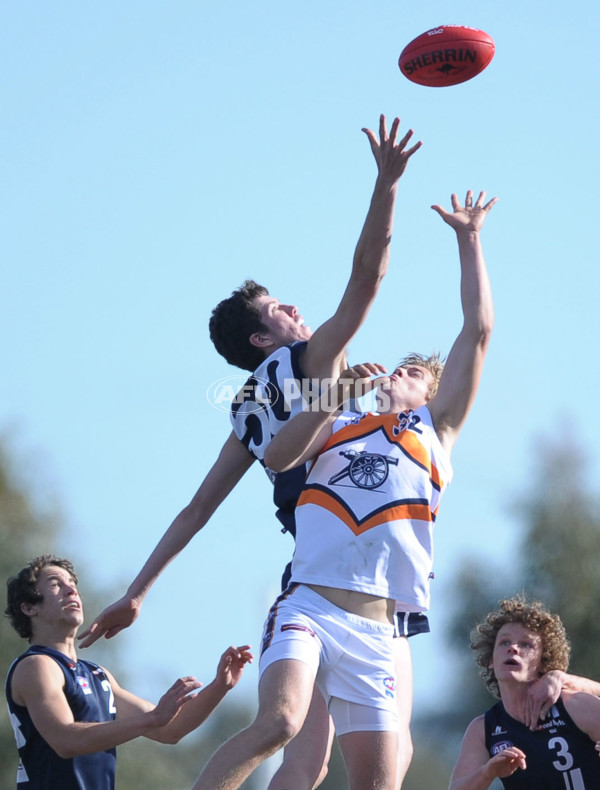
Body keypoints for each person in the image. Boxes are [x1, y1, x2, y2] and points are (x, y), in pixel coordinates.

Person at [78, 115, 423, 789]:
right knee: (302, 745)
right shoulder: (307, 360)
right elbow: (367, 278)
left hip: (326, 574)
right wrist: (386, 187)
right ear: (267, 340)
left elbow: (196, 508)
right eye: (280, 309)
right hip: (332, 577)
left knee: (303, 758)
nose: (296, 310)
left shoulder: (246, 406)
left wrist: (139, 593)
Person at [188, 189, 498, 790]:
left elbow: (478, 332)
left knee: (379, 782)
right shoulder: (337, 421)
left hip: (379, 630)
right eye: (396, 364)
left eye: (412, 373)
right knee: (279, 725)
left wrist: (469, 239)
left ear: (429, 395)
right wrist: (334, 398)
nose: (395, 372)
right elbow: (277, 456)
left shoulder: (436, 435)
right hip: (310, 604)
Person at [4, 554, 252, 790]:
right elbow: (66, 740)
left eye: (72, 583)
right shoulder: (36, 665)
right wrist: (152, 718)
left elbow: (170, 730)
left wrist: (221, 686)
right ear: (29, 608)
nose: (71, 590)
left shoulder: (97, 675)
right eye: (56, 584)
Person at [449, 596, 600, 789]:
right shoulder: (484, 729)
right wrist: (487, 773)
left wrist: (567, 679)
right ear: (491, 660)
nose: (513, 648)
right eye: (504, 642)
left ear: (543, 661)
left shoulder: (572, 705)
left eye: (526, 644)